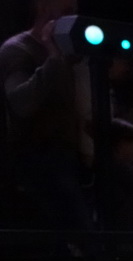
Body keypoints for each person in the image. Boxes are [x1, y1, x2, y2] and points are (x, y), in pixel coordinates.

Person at [0, 0, 93, 232]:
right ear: (43, 7)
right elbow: (21, 103)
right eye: (67, 11)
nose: (73, 16)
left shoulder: (68, 54)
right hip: (37, 158)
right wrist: (53, 58)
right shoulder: (18, 49)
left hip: (66, 157)